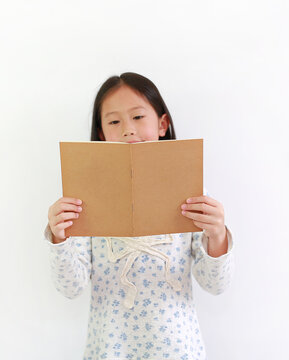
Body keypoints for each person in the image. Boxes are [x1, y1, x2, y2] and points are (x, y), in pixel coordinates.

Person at [45, 72, 235, 359]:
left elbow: (215, 285)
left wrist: (217, 234)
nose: (127, 130)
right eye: (113, 121)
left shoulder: (191, 193)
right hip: (110, 349)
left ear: (162, 124)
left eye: (137, 117)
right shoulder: (86, 199)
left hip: (177, 349)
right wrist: (59, 236)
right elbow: (71, 287)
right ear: (102, 134)